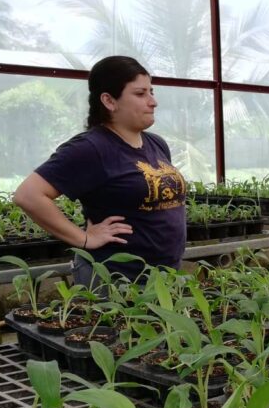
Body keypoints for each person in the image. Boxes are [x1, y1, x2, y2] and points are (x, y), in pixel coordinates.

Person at [14, 56, 186, 285]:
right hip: (116, 279)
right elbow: (28, 195)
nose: (153, 101)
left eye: (151, 92)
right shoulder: (92, 148)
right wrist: (84, 238)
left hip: (163, 277)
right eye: (140, 93)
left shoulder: (156, 144)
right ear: (109, 101)